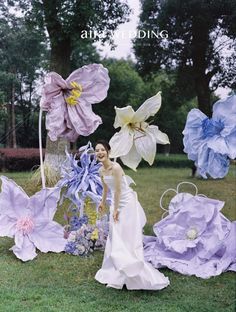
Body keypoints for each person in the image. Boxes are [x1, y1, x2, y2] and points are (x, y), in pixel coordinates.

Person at [94, 140, 169, 290]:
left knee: (126, 235)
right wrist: (102, 203)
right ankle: (116, 271)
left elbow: (119, 191)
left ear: (108, 152)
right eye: (97, 150)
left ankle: (132, 268)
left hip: (126, 204)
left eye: (102, 149)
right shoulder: (101, 171)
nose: (99, 152)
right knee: (115, 235)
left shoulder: (116, 167)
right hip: (115, 204)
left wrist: (116, 210)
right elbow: (106, 189)